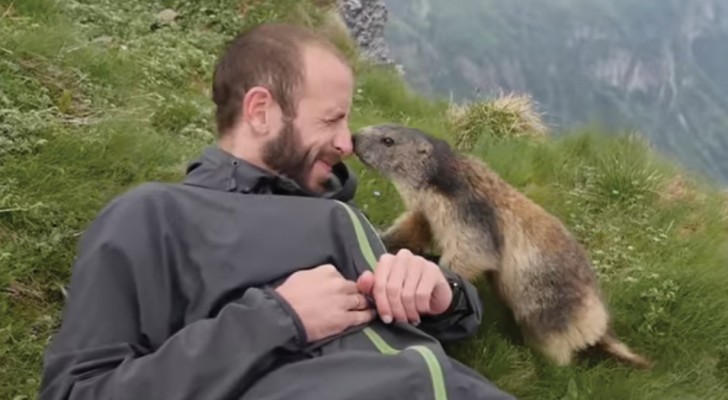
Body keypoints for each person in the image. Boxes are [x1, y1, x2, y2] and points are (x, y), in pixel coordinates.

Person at [38, 22, 516, 400]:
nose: (348, 143)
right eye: (331, 119)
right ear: (261, 111)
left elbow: (449, 321)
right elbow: (77, 390)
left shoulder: (339, 215)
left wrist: (441, 292)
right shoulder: (154, 216)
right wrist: (278, 319)